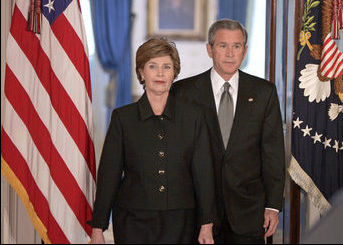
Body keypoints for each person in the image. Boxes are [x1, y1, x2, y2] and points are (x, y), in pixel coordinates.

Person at [88, 37, 216, 244]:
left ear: (174, 72)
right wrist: (98, 227)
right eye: (152, 66)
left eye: (167, 66)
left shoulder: (194, 117)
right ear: (141, 72)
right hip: (133, 221)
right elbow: (109, 175)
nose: (160, 73)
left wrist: (207, 224)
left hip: (182, 221)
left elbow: (204, 174)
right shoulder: (123, 118)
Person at [171, 19, 286, 244]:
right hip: (199, 213)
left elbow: (273, 153)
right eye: (223, 45)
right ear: (210, 49)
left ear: (245, 51)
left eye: (237, 46)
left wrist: (273, 205)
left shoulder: (264, 92)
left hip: (249, 212)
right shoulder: (183, 92)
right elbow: (177, 157)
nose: (230, 53)